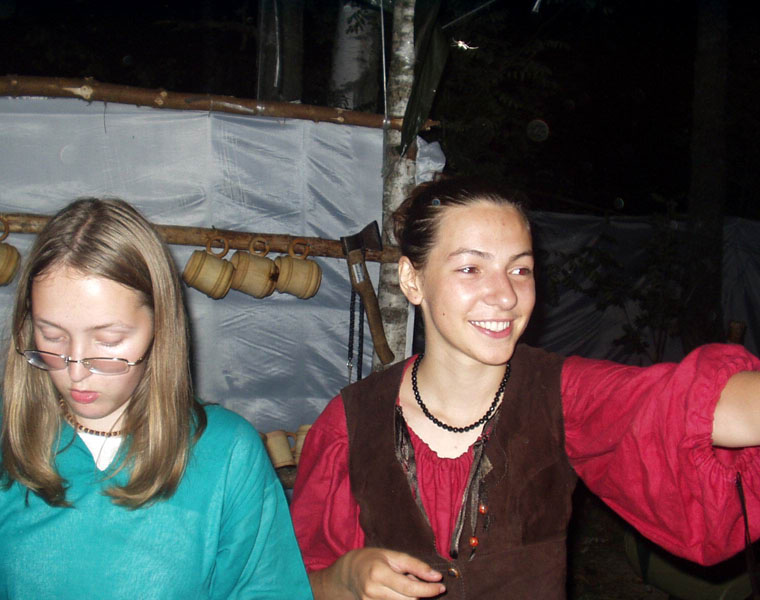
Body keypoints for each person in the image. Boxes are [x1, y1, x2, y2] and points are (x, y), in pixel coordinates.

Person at [290, 177, 760, 599]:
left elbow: (692, 404)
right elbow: (287, 581)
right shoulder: (352, 422)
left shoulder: (562, 393)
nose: (506, 295)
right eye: (471, 268)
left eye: (520, 269)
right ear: (412, 280)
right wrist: (342, 580)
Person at [0, 198, 313, 599]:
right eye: (52, 336)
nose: (76, 370)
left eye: (108, 340)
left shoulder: (227, 454)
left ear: (161, 326)